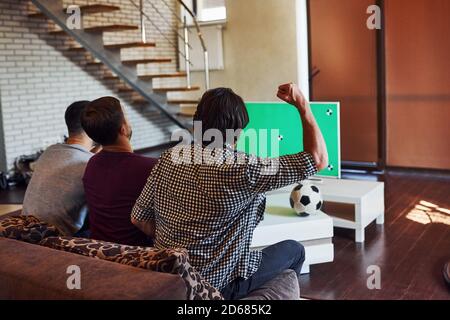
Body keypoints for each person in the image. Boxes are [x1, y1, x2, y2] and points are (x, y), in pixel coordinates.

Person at [131, 83, 328, 299]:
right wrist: (302, 105)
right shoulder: (243, 168)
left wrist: (180, 245)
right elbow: (317, 159)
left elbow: (138, 218)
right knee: (294, 250)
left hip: (169, 278)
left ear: (198, 122)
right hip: (215, 287)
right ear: (239, 129)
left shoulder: (169, 157)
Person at [81, 96, 156, 246]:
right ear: (123, 128)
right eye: (127, 116)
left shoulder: (92, 163)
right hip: (136, 254)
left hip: (99, 249)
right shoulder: (150, 167)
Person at [23, 101, 95, 236]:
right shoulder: (89, 162)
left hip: (24, 226)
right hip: (54, 237)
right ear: (92, 127)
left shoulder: (50, 151)